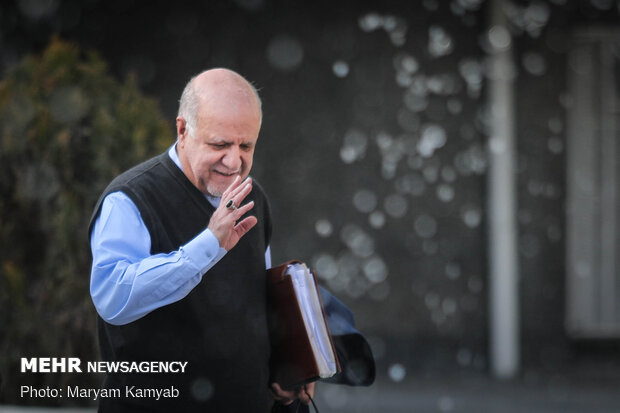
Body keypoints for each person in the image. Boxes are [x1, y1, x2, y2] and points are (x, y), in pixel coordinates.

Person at [89, 68, 314, 412]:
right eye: (220, 144)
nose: (235, 160)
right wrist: (208, 245)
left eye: (246, 145)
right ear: (183, 130)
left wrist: (292, 362)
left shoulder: (254, 198)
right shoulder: (130, 198)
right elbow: (113, 299)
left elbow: (260, 300)